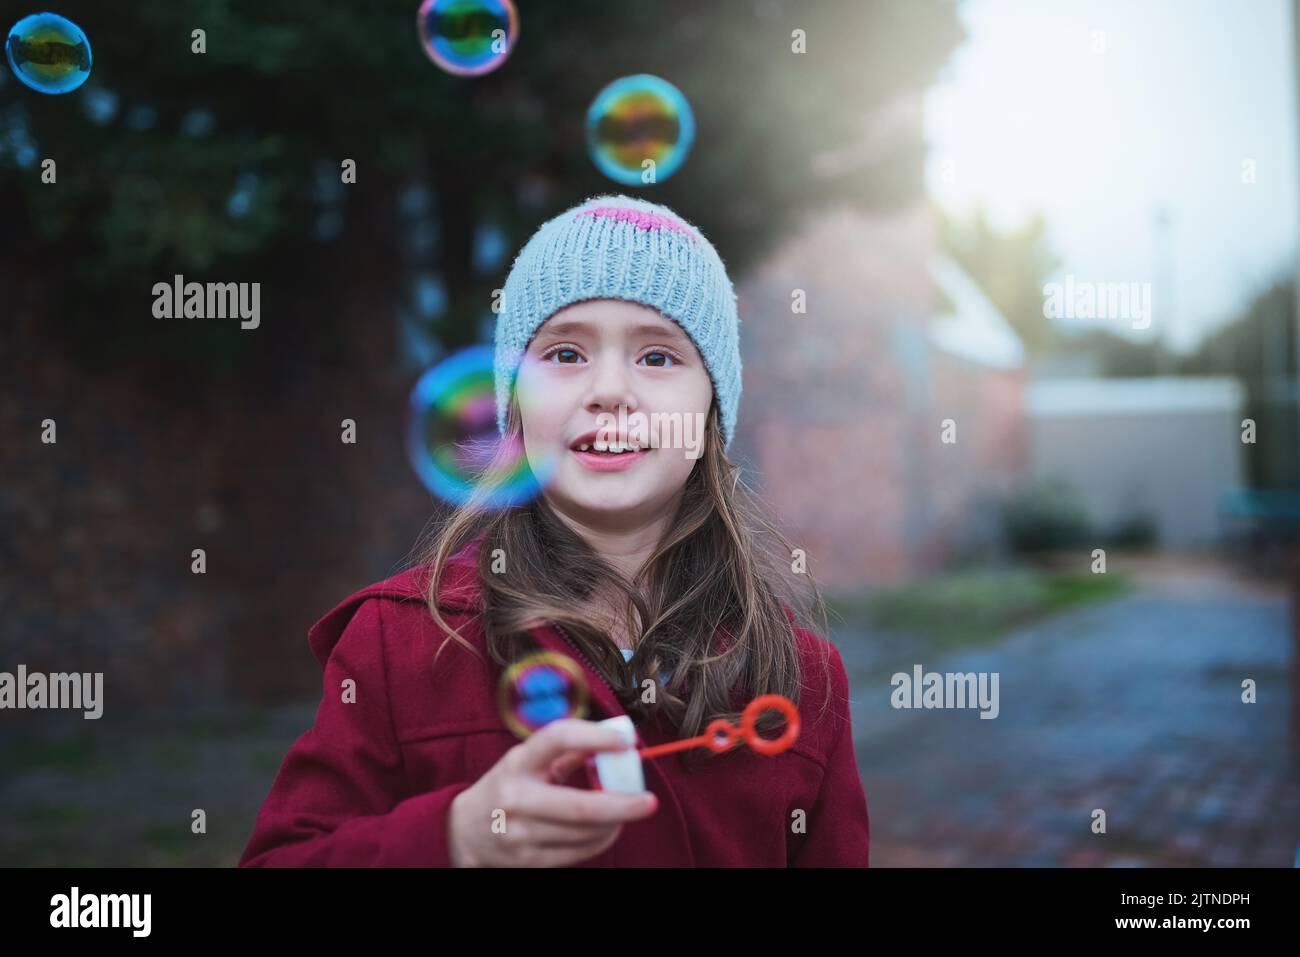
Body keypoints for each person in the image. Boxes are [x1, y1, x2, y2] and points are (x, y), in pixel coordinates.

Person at [238, 194, 870, 867]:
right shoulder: (397, 644)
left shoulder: (801, 676)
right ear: (513, 406)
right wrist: (455, 838)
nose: (609, 390)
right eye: (565, 352)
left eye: (658, 358)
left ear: (712, 413)